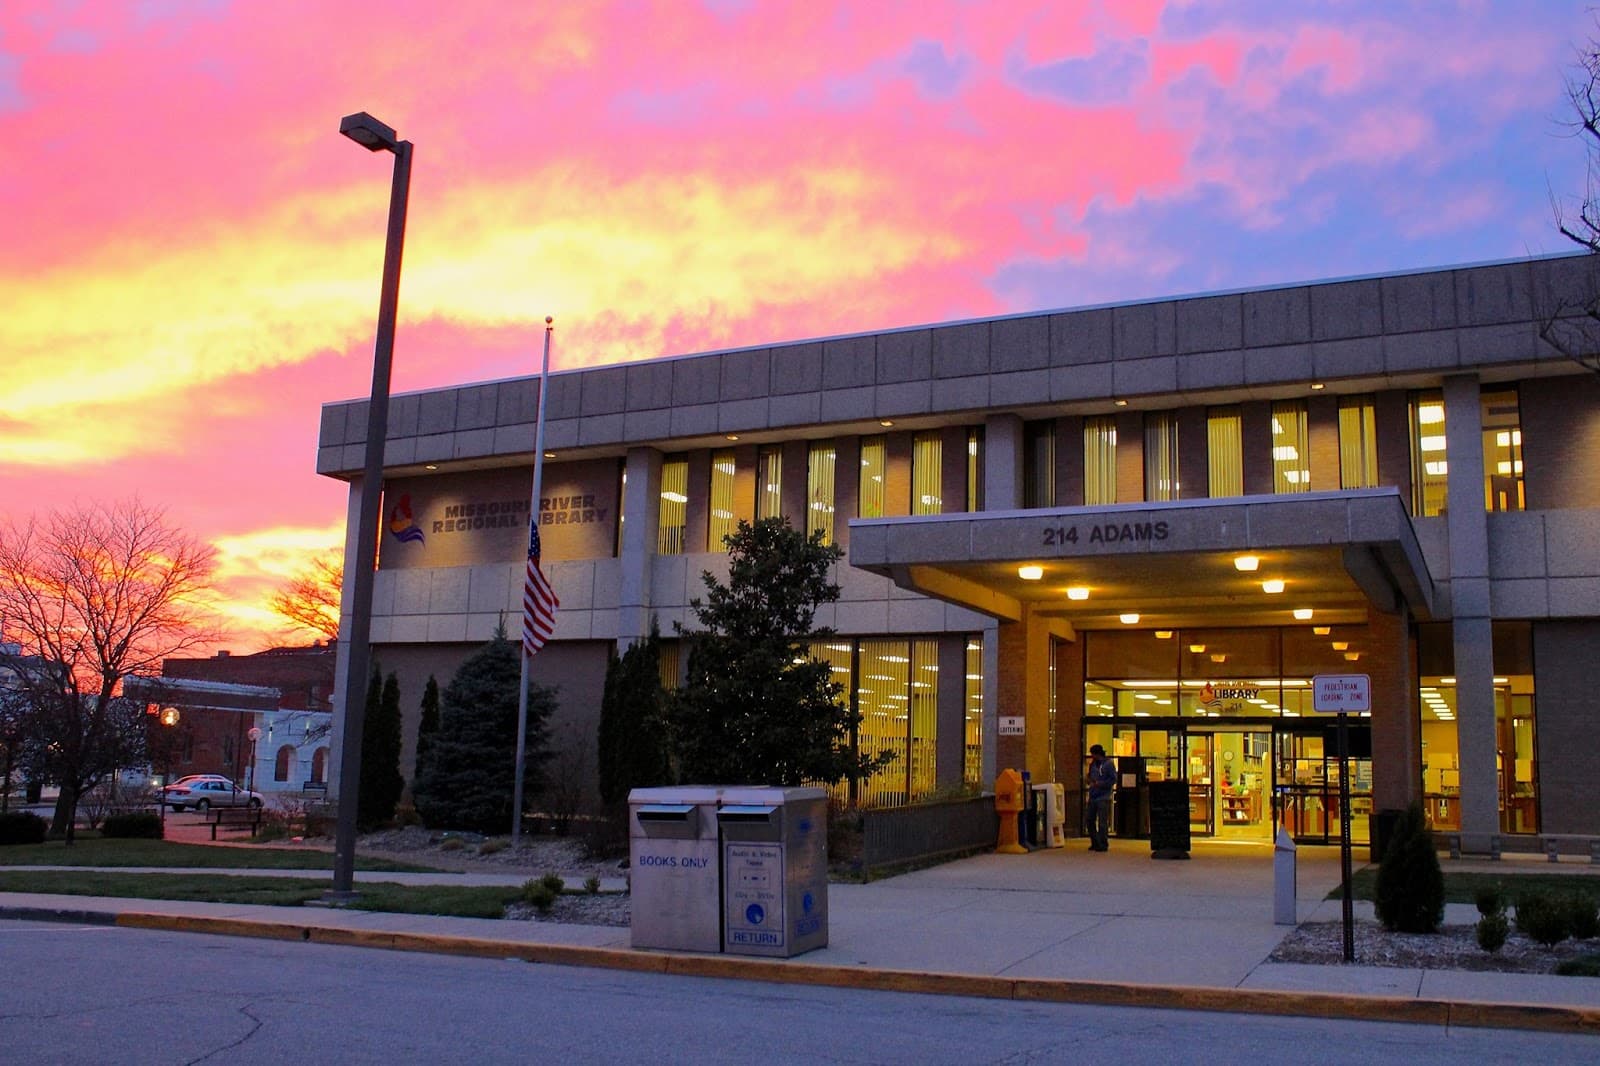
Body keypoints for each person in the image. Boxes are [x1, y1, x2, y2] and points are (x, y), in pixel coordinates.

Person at [1085, 744, 1115, 852]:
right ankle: (1095, 842)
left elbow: (1113, 779)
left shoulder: (1108, 764)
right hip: (1093, 795)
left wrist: (1100, 784)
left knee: (1102, 822)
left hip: (1103, 796)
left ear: (1097, 754)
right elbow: (1090, 776)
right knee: (1089, 820)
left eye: (1093, 754)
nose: (1092, 756)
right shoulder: (1093, 764)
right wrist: (1089, 780)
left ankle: (1103, 844)